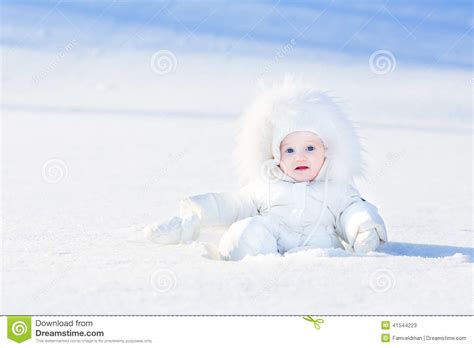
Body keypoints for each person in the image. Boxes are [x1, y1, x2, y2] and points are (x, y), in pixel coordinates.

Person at [144, 77, 387, 260]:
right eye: (289, 150)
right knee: (249, 230)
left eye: (310, 148)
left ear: (327, 150)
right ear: (276, 156)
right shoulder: (267, 184)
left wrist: (363, 227)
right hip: (272, 252)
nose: (300, 157)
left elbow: (354, 210)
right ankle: (237, 252)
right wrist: (197, 214)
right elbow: (233, 204)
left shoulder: (337, 189)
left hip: (323, 257)